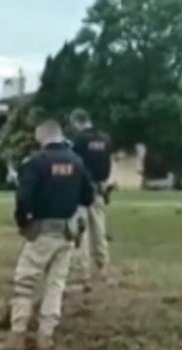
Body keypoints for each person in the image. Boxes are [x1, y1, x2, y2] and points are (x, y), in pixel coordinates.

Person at [1, 118, 95, 350]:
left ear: (42, 137)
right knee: (56, 284)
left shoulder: (35, 162)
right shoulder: (77, 161)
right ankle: (46, 335)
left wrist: (24, 223)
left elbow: (23, 199)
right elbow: (88, 197)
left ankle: (18, 334)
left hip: (42, 231)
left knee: (25, 282)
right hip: (67, 232)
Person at [67, 109, 112, 289]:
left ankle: (82, 272)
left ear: (77, 122)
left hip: (81, 189)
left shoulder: (79, 141)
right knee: (99, 229)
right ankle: (103, 268)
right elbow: (106, 164)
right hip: (100, 187)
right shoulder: (105, 139)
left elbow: (75, 164)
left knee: (81, 231)